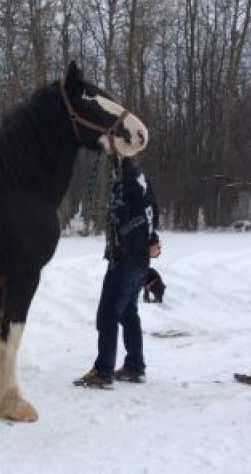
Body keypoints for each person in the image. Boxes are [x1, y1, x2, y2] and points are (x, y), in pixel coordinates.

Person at [74, 157, 161, 388]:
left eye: (114, 159)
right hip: (138, 261)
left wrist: (131, 241)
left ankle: (104, 372)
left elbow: (134, 218)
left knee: (108, 315)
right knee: (128, 313)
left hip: (125, 261)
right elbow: (152, 212)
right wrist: (152, 240)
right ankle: (134, 366)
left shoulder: (128, 182)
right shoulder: (142, 180)